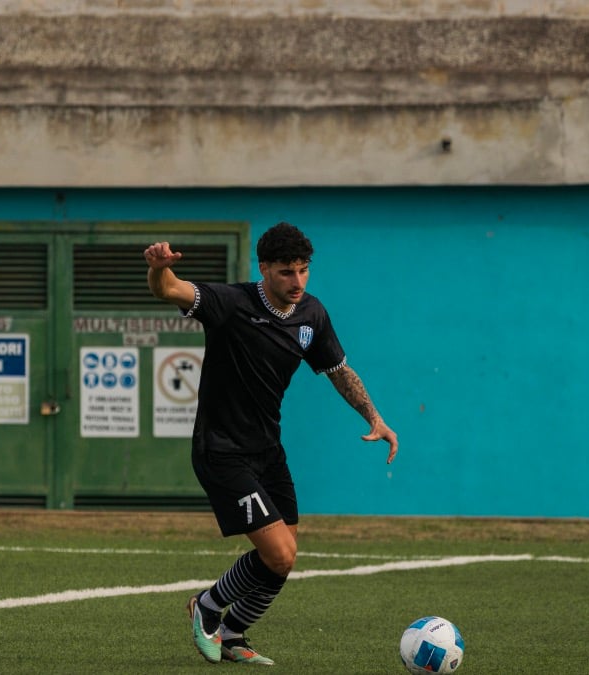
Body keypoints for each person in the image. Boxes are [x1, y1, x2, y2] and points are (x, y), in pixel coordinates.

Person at [143, 222, 398, 666]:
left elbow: (338, 370)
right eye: (285, 272)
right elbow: (170, 290)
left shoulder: (312, 315)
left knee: (284, 559)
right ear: (264, 269)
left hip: (267, 451)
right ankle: (205, 605)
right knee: (277, 552)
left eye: (303, 270)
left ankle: (234, 633)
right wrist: (158, 269)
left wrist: (375, 418)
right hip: (221, 449)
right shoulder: (230, 303)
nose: (297, 281)